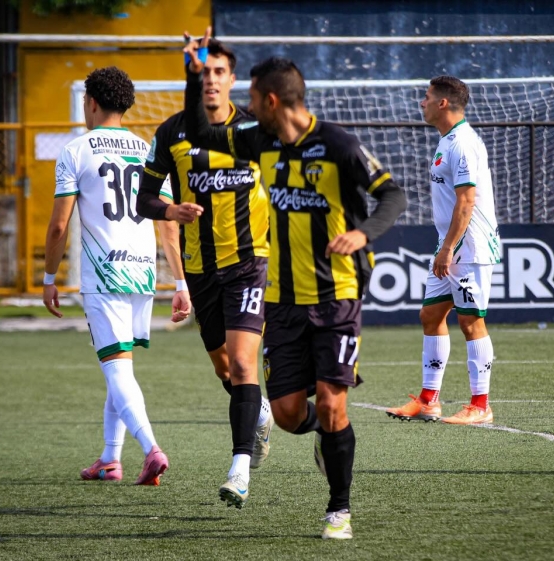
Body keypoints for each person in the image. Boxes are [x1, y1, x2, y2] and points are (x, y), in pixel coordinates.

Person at [181, 29, 407, 538]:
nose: (245, 106)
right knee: (286, 414)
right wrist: (194, 76)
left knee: (331, 401)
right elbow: (200, 133)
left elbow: (392, 195)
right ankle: (328, 433)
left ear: (271, 100)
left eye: (252, 97)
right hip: (281, 302)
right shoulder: (260, 141)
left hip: (336, 296)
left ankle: (338, 510)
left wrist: (362, 233)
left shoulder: (339, 144)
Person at [42, 66, 200, 485]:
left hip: (104, 271)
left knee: (116, 368)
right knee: (121, 364)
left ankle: (151, 449)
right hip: (143, 270)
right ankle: (110, 459)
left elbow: (59, 226)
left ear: (91, 102)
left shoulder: (76, 150)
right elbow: (169, 223)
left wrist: (48, 277)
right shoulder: (147, 148)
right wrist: (180, 283)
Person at [136, 37, 275, 507]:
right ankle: (258, 412)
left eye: (219, 72)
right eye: (205, 71)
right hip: (200, 269)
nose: (211, 79)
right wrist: (170, 210)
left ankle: (240, 471)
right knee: (225, 368)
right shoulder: (172, 131)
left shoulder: (255, 130)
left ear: (232, 79)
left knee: (243, 363)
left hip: (249, 263)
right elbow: (143, 198)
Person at [386, 76, 501, 425]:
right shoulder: (448, 140)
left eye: (426, 97)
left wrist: (448, 248)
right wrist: (446, 246)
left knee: (470, 320)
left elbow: (467, 201)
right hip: (451, 244)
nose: (421, 103)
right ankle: (428, 401)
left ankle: (480, 406)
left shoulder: (463, 143)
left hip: (470, 246)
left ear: (443, 103)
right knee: (431, 315)